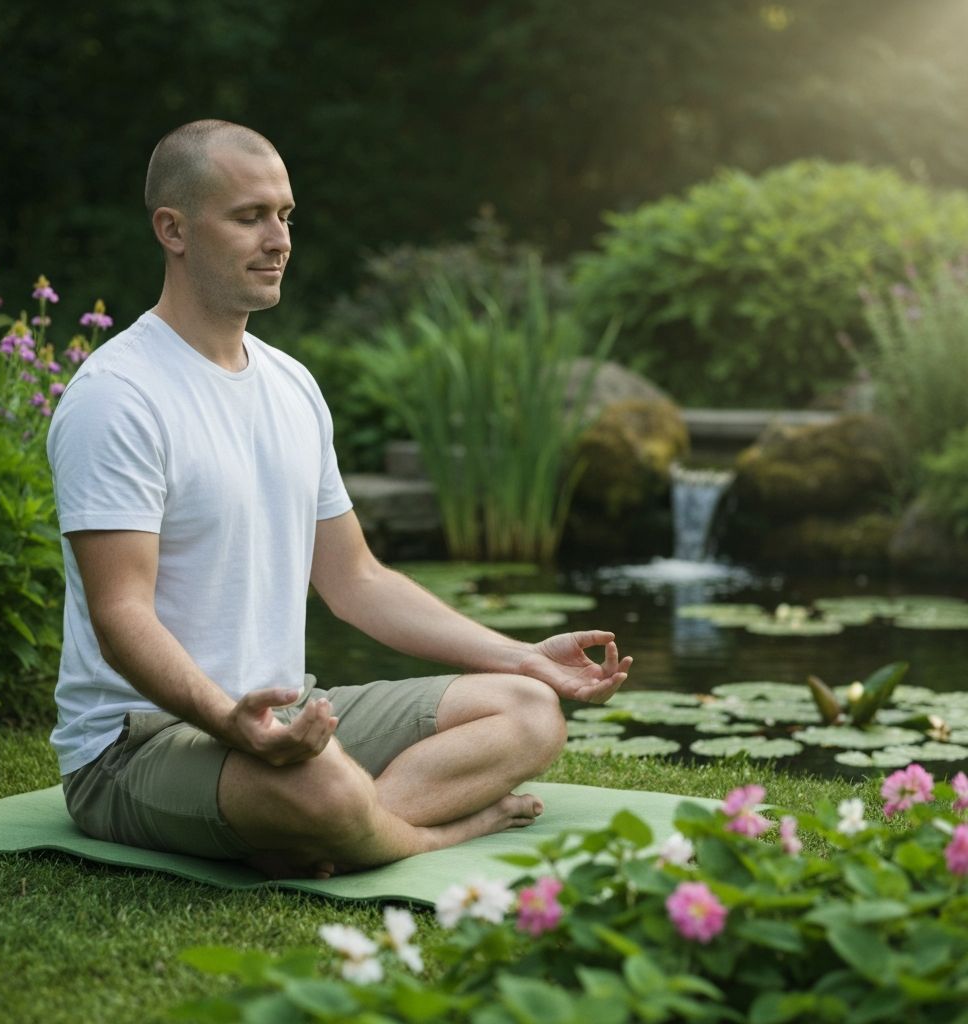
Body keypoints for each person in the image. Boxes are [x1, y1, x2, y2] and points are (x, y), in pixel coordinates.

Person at [46, 119, 632, 879]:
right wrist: (229, 721)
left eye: (285, 216)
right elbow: (122, 614)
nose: (279, 238)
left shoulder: (291, 384)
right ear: (174, 230)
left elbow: (357, 581)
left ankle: (335, 830)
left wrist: (523, 657)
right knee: (319, 785)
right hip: (137, 744)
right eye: (250, 216)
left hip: (284, 714)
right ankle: (422, 834)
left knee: (527, 712)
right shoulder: (117, 397)